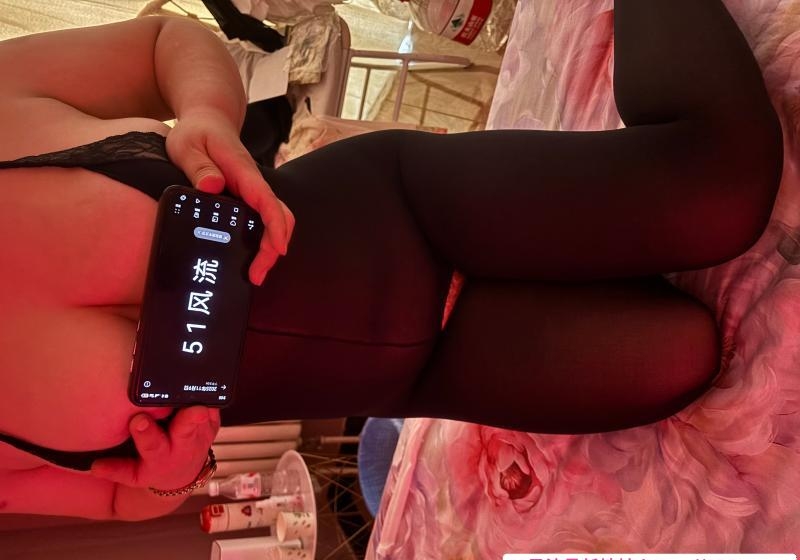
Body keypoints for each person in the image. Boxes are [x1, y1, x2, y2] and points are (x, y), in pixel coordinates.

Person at [0, 0, 782, 521]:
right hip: (426, 375)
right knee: (683, 355)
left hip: (407, 209)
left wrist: (206, 114)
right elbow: (124, 502)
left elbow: (165, 42)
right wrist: (170, 474)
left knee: (719, 191)